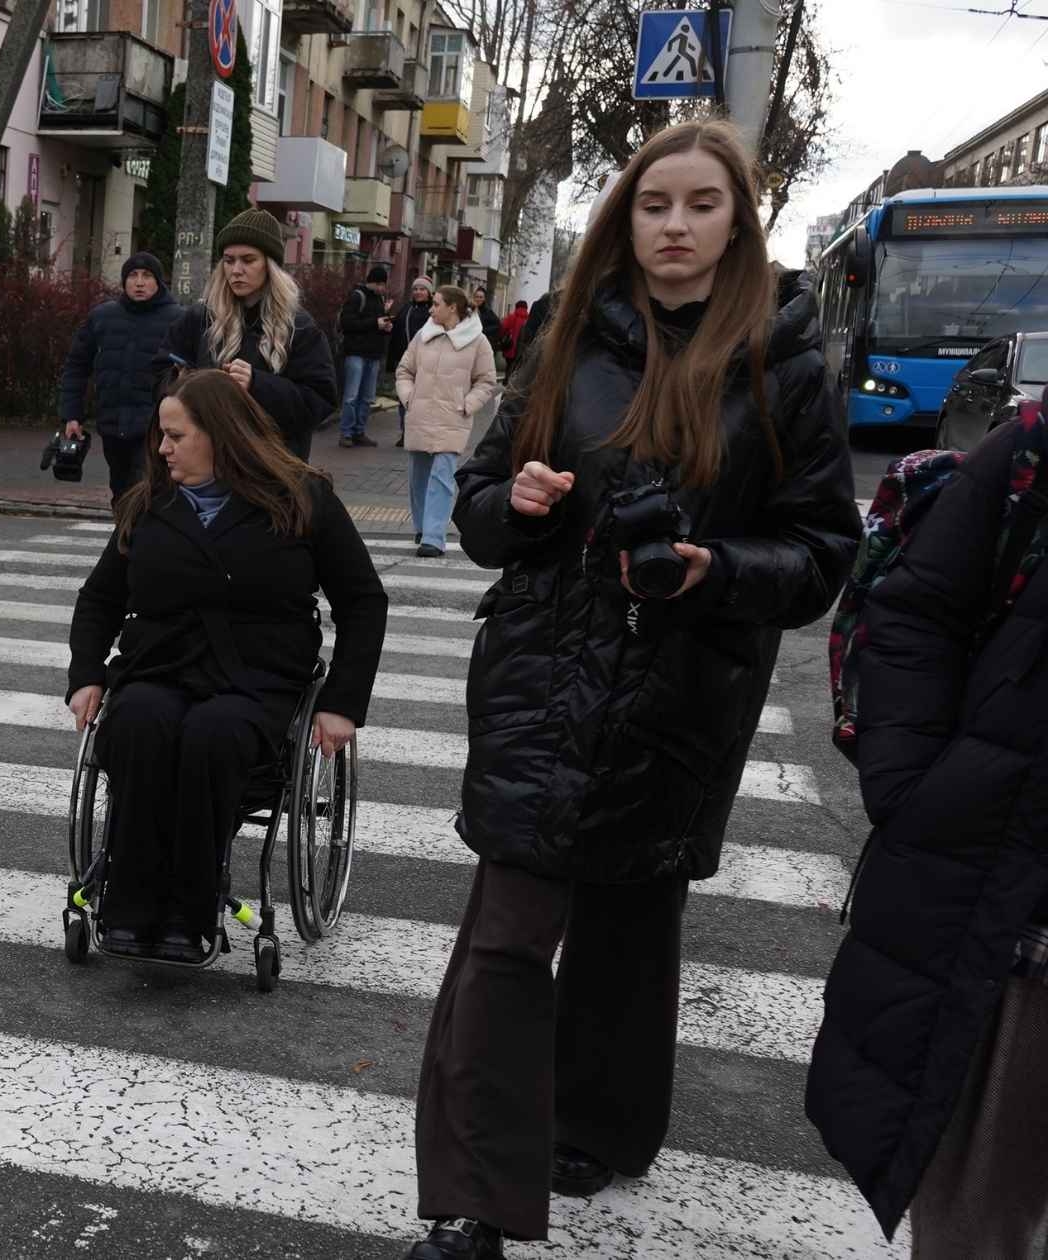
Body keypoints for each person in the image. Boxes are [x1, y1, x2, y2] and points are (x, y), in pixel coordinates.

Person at [404, 119, 861, 1260]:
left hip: (679, 693)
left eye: (700, 205)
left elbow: (818, 553)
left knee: (628, 922)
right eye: (653, 205)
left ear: (736, 222)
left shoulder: (784, 361)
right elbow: (473, 504)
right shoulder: (563, 336)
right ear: (624, 217)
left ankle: (599, 1125)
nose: (673, 227)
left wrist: (715, 568)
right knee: (505, 940)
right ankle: (472, 1204)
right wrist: (512, 504)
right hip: (541, 675)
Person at [808, 413, 1048, 1256]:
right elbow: (915, 610)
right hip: (1021, 916)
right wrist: (913, 787)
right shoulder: (1032, 449)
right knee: (982, 1214)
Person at [65, 369, 386, 960]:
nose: (161, 450)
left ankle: (192, 913)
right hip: (159, 669)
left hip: (256, 681)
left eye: (174, 436)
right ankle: (129, 909)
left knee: (214, 738)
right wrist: (85, 672)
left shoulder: (302, 497)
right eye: (161, 436)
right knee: (138, 726)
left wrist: (343, 703)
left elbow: (363, 601)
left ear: (220, 434)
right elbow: (100, 597)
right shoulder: (150, 503)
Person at [163, 208, 339, 461]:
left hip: (270, 471)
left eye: (248, 260)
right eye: (228, 260)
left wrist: (257, 384)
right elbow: (158, 371)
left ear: (269, 265)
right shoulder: (200, 318)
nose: (236, 270)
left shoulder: (299, 326)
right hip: (205, 466)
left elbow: (320, 401)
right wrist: (182, 382)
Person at [59, 251, 187, 503]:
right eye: (133, 276)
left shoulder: (178, 319)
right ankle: (127, 538)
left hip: (154, 429)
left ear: (159, 282)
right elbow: (76, 365)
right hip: (112, 425)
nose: (139, 282)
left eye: (147, 276)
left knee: (145, 492)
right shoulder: (103, 317)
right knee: (121, 493)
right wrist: (72, 415)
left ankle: (136, 540)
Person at [394, 285, 497, 559]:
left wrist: (467, 404)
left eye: (437, 303)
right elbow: (404, 370)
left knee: (442, 476)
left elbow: (487, 381)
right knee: (419, 476)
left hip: (452, 418)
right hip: (420, 415)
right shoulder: (423, 335)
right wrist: (408, 398)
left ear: (452, 307)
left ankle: (433, 537)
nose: (431, 308)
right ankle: (422, 526)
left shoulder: (477, 340)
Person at [335, 263, 393, 446]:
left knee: (367, 397)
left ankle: (359, 431)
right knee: (351, 396)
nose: (383, 288)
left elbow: (375, 325)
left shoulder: (379, 300)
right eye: (381, 284)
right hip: (356, 353)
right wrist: (375, 324)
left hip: (373, 354)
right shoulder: (357, 297)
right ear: (374, 282)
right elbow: (348, 323)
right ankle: (346, 433)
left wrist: (385, 327)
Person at [387, 276, 436, 447]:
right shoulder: (406, 309)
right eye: (415, 289)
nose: (418, 292)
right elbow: (396, 335)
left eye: (422, 289)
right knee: (404, 398)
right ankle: (406, 432)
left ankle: (422, 433)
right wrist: (392, 361)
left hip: (427, 362)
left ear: (429, 292)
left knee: (423, 399)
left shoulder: (434, 311)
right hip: (405, 362)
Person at [471, 284, 510, 362]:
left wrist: (482, 331)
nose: (478, 299)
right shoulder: (469, 310)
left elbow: (498, 326)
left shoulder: (488, 312)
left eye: (481, 297)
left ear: (484, 299)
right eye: (477, 297)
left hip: (482, 345)